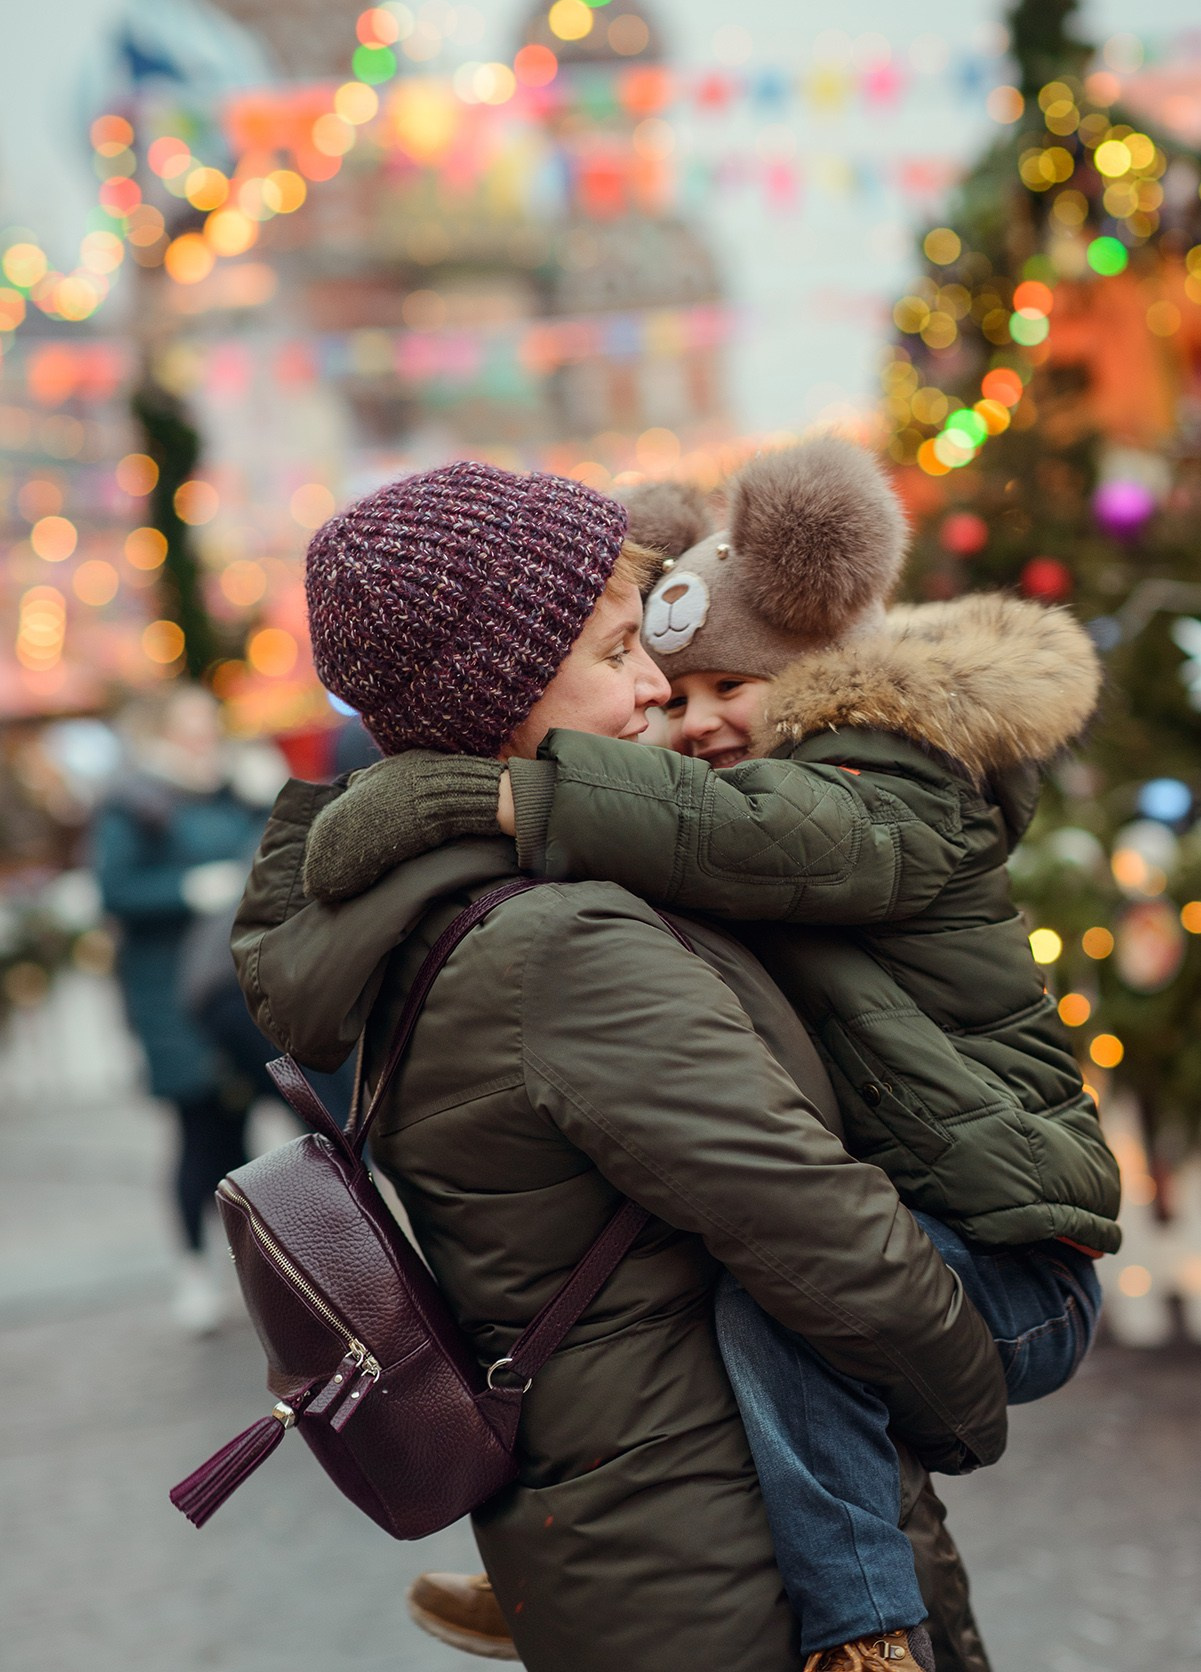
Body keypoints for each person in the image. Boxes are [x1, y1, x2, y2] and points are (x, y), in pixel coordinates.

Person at [305, 440, 1121, 1671]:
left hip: (1009, 1240)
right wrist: (942, 1387)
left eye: (720, 682)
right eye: (639, 668)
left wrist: (498, 800)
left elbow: (756, 841)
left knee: (777, 1311)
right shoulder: (570, 940)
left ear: (818, 670)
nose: (680, 719)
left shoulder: (869, 786)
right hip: (710, 1516)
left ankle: (861, 1621)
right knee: (783, 1303)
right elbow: (811, 1236)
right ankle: (870, 1631)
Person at [94, 685, 285, 1332]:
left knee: (287, 1125)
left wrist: (268, 794)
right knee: (203, 1133)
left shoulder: (234, 789)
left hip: (242, 987)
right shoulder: (134, 803)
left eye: (210, 722)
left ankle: (285, 1272)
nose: (205, 735)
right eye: (191, 724)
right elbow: (114, 889)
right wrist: (185, 890)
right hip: (172, 994)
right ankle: (196, 1270)